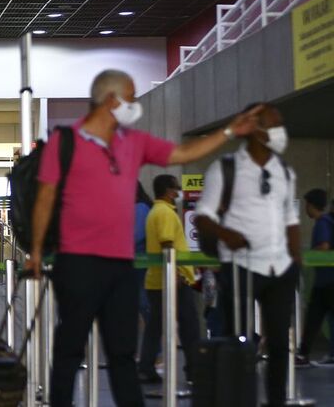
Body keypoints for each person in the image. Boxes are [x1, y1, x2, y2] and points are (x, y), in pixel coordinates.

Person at [25, 69, 259, 407]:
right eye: (132, 98)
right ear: (111, 100)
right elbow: (45, 198)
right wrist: (35, 251)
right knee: (69, 349)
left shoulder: (133, 142)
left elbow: (183, 154)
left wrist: (228, 131)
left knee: (122, 352)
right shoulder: (66, 141)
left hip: (121, 266)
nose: (135, 105)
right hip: (76, 263)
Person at [194, 103, 299, 407]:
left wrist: (296, 261)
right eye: (273, 124)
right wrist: (228, 236)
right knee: (239, 342)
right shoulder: (225, 169)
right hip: (240, 266)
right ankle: (238, 399)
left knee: (278, 344)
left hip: (280, 267)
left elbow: (290, 219)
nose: (280, 132)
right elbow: (202, 216)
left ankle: (276, 401)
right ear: (253, 128)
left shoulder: (284, 172)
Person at [137, 174, 200, 385]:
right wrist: (177, 274)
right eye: (176, 187)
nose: (179, 191)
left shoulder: (158, 211)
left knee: (155, 327)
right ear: (168, 191)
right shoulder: (164, 213)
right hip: (172, 281)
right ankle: (194, 370)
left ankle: (146, 367)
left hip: (159, 280)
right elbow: (167, 244)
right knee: (189, 326)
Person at [296, 189, 334, 366]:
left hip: (326, 282)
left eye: (307, 205)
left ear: (312, 205)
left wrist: (309, 256)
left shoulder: (322, 223)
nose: (306, 209)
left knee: (314, 317)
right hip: (326, 281)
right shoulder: (327, 221)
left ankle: (303, 354)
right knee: (319, 318)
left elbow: (325, 246)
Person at [134, 183, 153, 320]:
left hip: (140, 263)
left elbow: (137, 235)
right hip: (137, 263)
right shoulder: (141, 207)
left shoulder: (140, 208)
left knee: (143, 301)